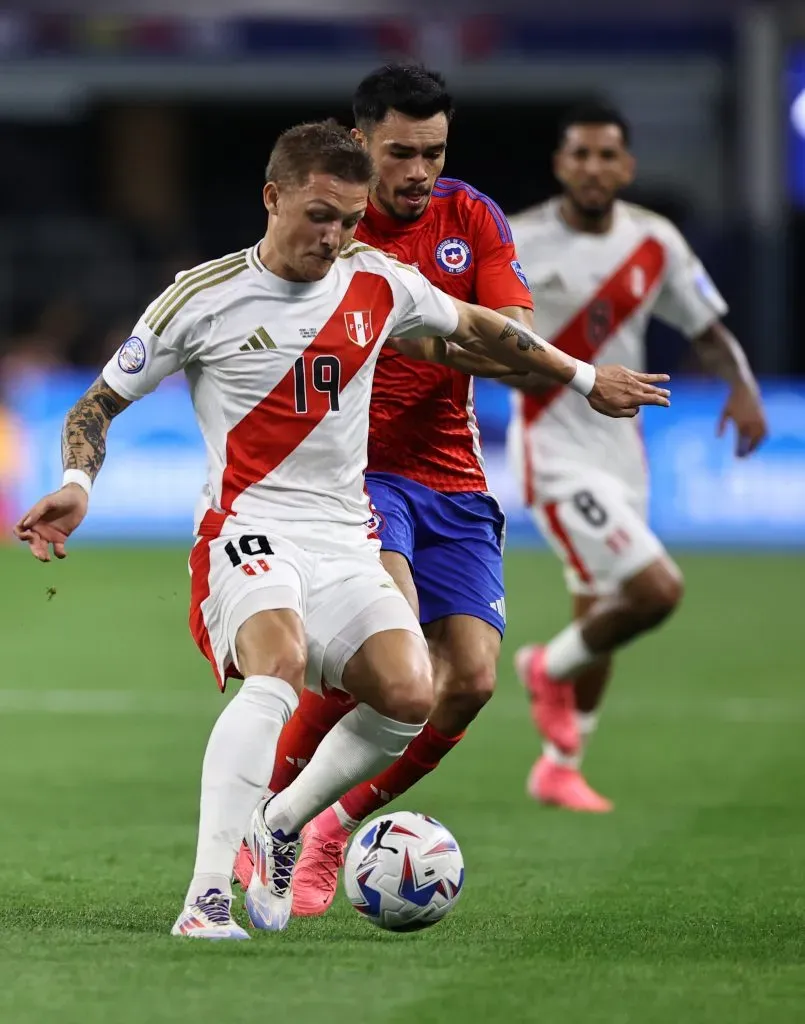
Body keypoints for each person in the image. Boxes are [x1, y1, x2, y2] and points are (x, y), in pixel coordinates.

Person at [14, 119, 669, 939]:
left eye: (352, 219)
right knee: (278, 664)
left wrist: (580, 377)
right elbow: (97, 402)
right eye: (319, 214)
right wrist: (78, 482)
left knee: (409, 692)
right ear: (272, 196)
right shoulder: (202, 295)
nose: (335, 236)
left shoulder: (379, 283)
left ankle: (283, 824)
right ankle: (208, 895)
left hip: (341, 535)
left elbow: (478, 327)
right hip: (244, 529)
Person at [235, 63, 538, 916]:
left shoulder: (469, 215)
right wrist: (448, 329)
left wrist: (433, 332)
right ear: (359, 141)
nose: (418, 173)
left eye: (433, 153)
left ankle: (331, 825)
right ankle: (268, 827)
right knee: (387, 653)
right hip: (355, 476)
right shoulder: (329, 225)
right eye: (400, 153)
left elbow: (513, 340)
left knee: (470, 680)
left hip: (453, 475)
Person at [507, 102, 768, 812]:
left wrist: (742, 387)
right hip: (552, 448)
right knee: (654, 589)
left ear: (625, 165)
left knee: (604, 605)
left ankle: (560, 764)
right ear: (560, 164)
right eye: (579, 155)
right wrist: (547, 375)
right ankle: (543, 667)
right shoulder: (519, 241)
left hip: (623, 450)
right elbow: (491, 346)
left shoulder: (654, 241)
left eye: (606, 155)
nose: (593, 168)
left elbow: (706, 327)